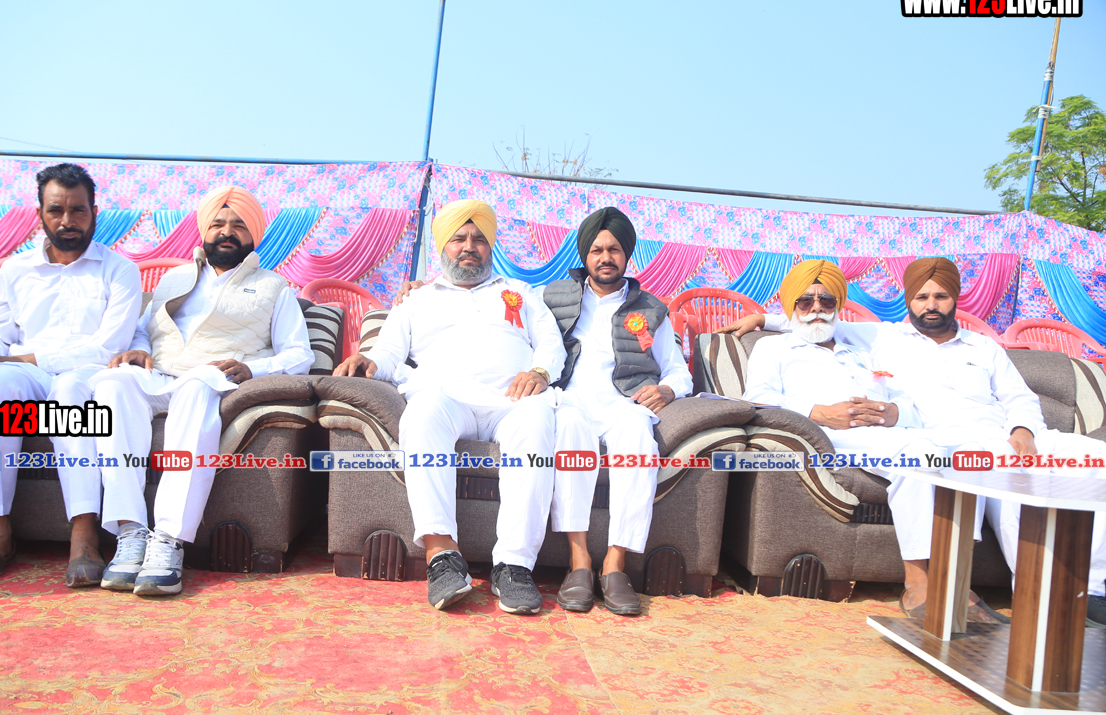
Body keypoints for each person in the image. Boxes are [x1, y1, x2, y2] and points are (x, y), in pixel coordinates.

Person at [728, 257, 1106, 625]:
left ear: (955, 299)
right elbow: (764, 391)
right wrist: (765, 322)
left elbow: (1008, 399)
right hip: (872, 438)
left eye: (941, 296)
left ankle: (1094, 589)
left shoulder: (865, 349)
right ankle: (943, 586)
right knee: (942, 460)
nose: (931, 305)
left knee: (1097, 459)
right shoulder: (872, 338)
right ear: (909, 300)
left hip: (955, 435)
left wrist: (1021, 429)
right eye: (922, 297)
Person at [333, 199, 566, 614]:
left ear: (490, 247)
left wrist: (540, 371)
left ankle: (514, 565)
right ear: (443, 247)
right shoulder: (416, 300)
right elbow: (388, 351)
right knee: (421, 414)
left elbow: (551, 342)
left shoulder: (519, 292)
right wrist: (369, 361)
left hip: (512, 400)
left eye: (479, 239)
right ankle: (442, 556)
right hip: (446, 396)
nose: (469, 246)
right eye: (459, 238)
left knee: (537, 420)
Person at [92, 185, 313, 596]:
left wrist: (252, 367)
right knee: (112, 383)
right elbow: (143, 328)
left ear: (254, 234)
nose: (226, 232)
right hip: (161, 375)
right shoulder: (172, 279)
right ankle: (130, 531)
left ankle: (168, 540)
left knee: (196, 385)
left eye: (238, 225)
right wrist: (139, 349)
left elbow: (300, 354)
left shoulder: (274, 286)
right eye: (218, 223)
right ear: (204, 231)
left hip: (213, 379)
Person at [0, 163, 142, 586]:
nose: (67, 220)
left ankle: (84, 535)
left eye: (78, 210)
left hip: (88, 375)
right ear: (40, 214)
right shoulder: (15, 270)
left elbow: (107, 347)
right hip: (26, 374)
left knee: (69, 389)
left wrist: (19, 357)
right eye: (56, 210)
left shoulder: (120, 269)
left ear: (94, 213)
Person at [542, 207, 692, 615]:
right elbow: (506, 310)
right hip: (571, 399)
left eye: (614, 250)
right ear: (584, 255)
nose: (605, 257)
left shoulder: (651, 308)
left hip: (624, 402)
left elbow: (678, 369)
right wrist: (417, 288)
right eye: (596, 250)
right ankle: (579, 562)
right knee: (568, 428)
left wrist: (667, 388)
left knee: (639, 440)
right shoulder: (553, 297)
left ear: (627, 255)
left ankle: (614, 564)